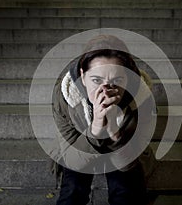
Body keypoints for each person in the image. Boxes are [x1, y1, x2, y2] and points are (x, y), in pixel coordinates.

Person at [51, 35, 156, 205]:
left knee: (126, 192)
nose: (106, 91)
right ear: (82, 76)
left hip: (123, 148)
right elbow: (72, 160)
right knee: (72, 191)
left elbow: (129, 162)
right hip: (82, 145)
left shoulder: (142, 99)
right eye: (96, 80)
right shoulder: (65, 96)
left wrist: (115, 132)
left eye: (117, 80)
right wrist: (96, 128)